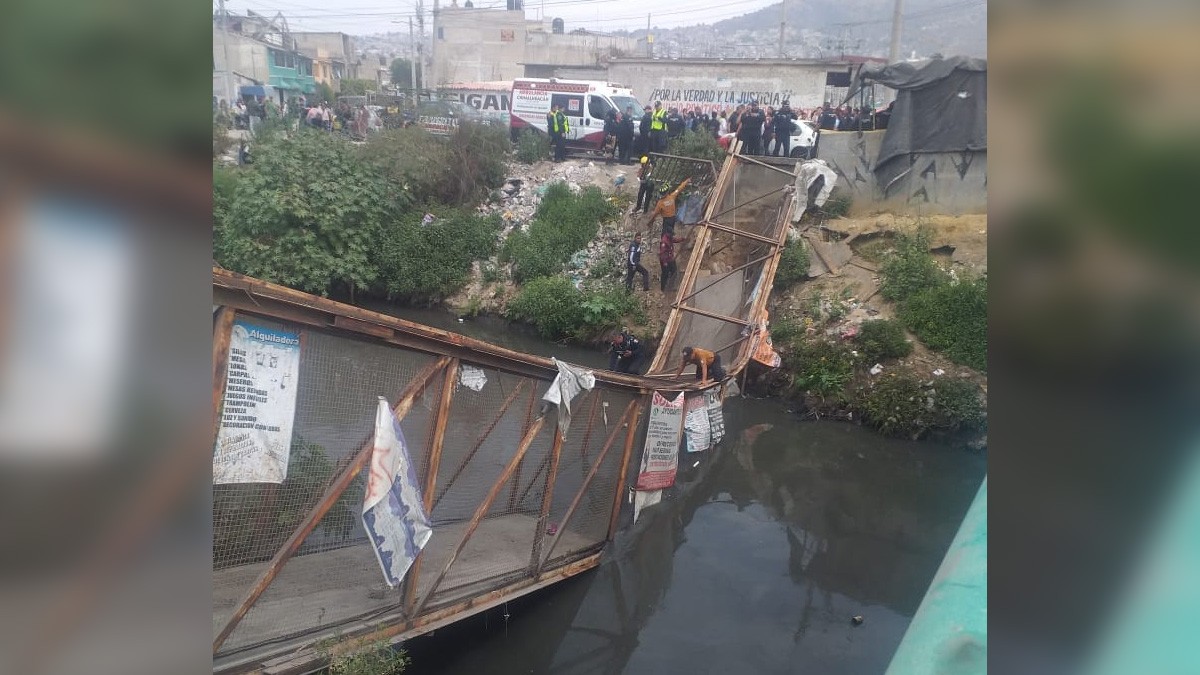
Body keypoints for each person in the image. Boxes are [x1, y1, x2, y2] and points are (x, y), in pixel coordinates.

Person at [658, 226, 687, 293]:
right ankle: (663, 288)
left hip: (670, 259)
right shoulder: (664, 241)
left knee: (674, 271)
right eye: (671, 234)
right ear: (667, 233)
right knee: (665, 274)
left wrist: (682, 239)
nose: (672, 235)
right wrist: (665, 262)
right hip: (665, 260)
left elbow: (675, 240)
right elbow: (662, 253)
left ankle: (671, 286)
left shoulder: (670, 238)